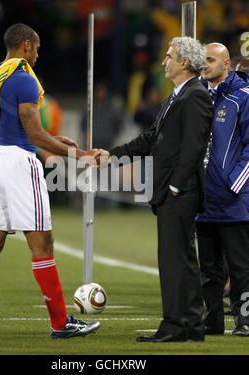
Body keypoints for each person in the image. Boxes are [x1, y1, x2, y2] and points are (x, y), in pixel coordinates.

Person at [0, 23, 102, 340]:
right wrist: (80, 154)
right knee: (42, 245)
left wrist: (49, 141)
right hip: (18, 167)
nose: (37, 54)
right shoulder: (24, 80)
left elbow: (14, 129)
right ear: (26, 45)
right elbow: (32, 132)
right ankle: (60, 323)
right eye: (36, 48)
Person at [99, 37, 213, 342]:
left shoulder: (194, 96)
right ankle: (191, 325)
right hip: (173, 190)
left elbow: (194, 145)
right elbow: (149, 139)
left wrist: (176, 185)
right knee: (183, 259)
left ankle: (176, 325)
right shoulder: (176, 97)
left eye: (169, 56)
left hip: (179, 191)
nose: (164, 61)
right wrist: (112, 155)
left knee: (174, 260)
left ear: (184, 63)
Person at [196, 43, 249, 337]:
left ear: (226, 63)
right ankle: (212, 321)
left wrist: (235, 183)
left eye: (211, 60)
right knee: (209, 269)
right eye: (202, 60)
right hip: (205, 200)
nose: (205, 65)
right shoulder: (199, 96)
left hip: (233, 199)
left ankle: (245, 320)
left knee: (241, 268)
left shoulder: (243, 97)